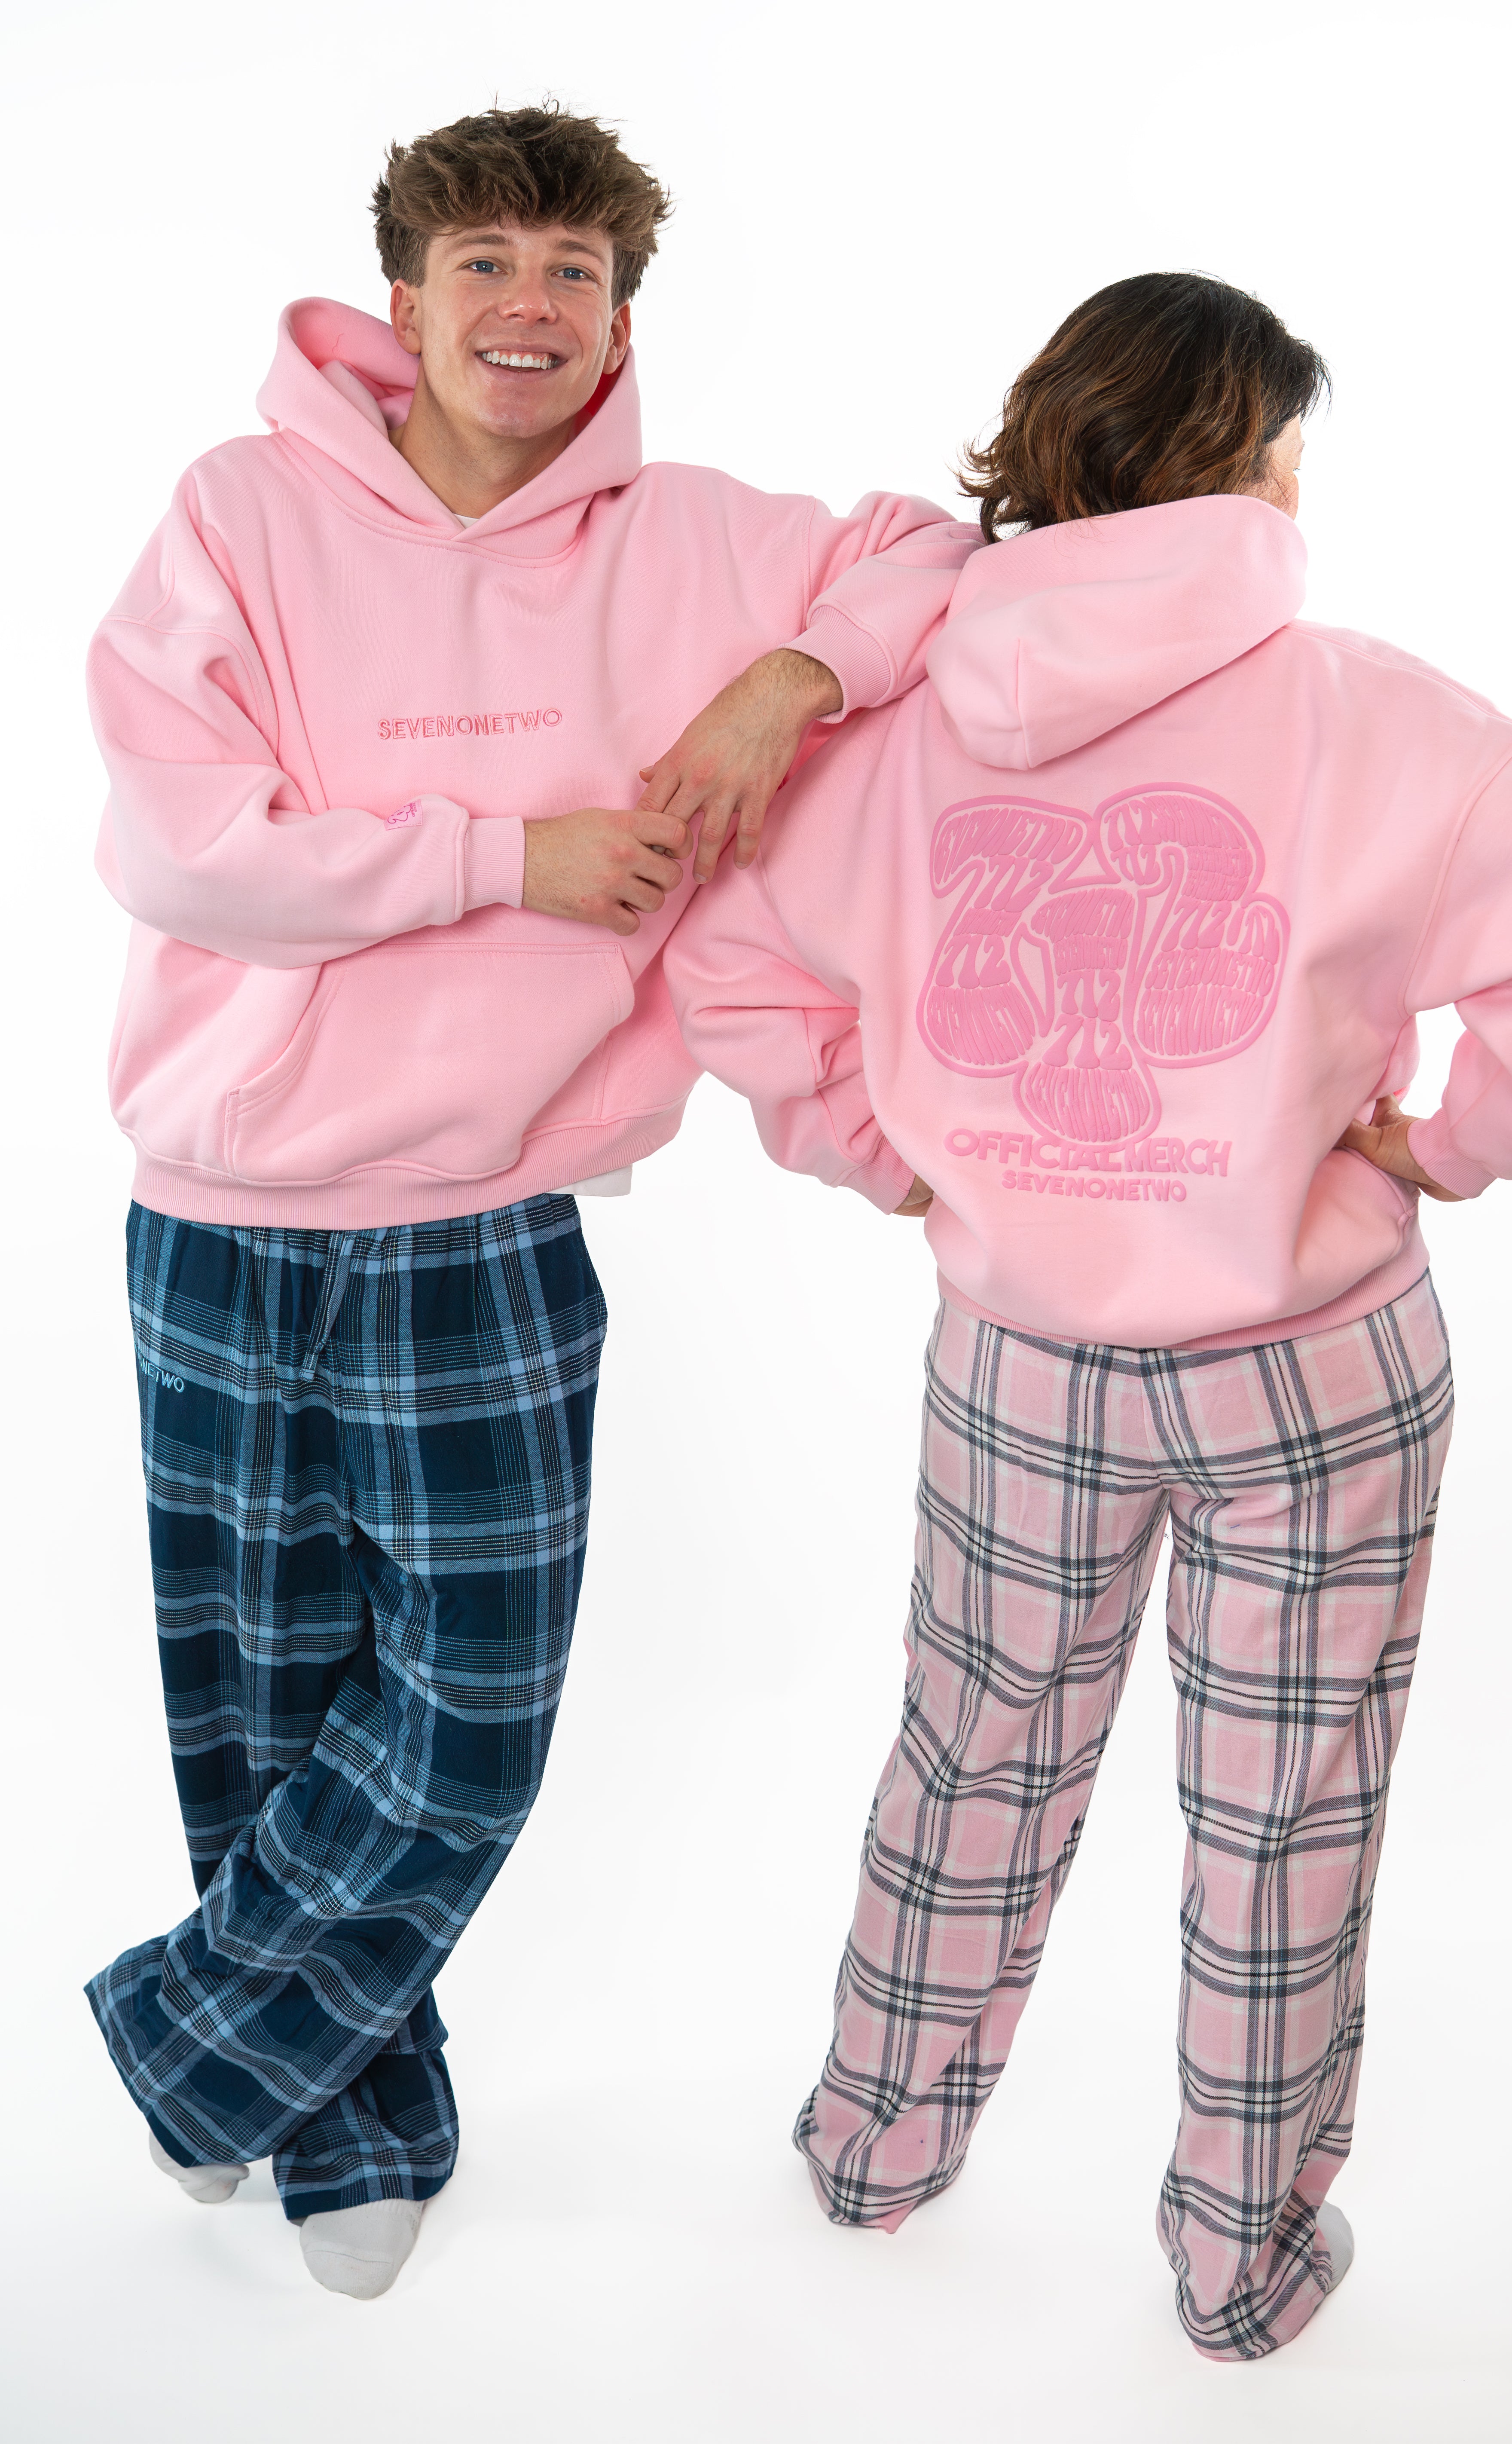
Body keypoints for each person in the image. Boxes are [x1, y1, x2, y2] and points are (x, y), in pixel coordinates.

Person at [665, 272, 1512, 2358]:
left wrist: (884, 1148)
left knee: (972, 1745)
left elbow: (725, 950)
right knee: (1286, 1806)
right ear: (1256, 464)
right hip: (1311, 1358)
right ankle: (1237, 2262)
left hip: (1018, 1352)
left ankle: (870, 2149)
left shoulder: (893, 732)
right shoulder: (1379, 716)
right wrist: (1445, 1144)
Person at [85, 102, 977, 2300]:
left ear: (619, 319)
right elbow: (181, 848)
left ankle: (199, 2049)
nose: (529, 304)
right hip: (225, 1203)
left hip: (485, 1211)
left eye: (574, 271)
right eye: (483, 261)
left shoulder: (701, 541)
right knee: (265, 1697)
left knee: (468, 1714)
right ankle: (347, 2121)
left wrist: (785, 680)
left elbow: (945, 557)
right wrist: (512, 857)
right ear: (402, 300)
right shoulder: (240, 512)